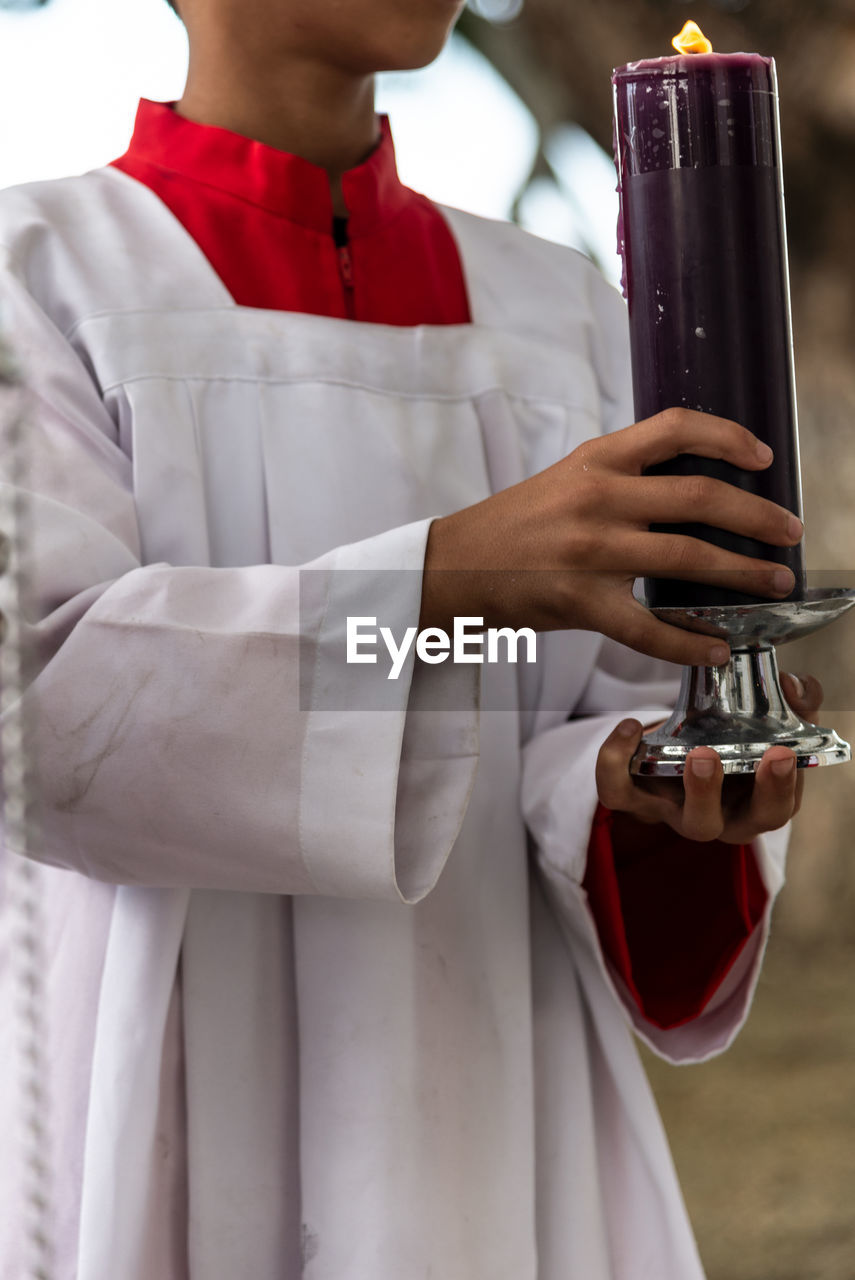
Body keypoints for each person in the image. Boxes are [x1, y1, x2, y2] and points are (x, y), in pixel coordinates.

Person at [0, 1, 822, 1277]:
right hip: (185, 1081)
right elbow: (39, 707)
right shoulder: (39, 274)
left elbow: (590, 719)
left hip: (501, 1064)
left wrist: (638, 794)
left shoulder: (563, 315)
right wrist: (450, 578)